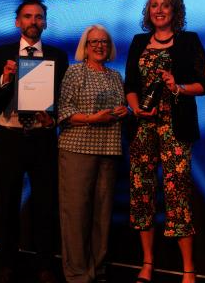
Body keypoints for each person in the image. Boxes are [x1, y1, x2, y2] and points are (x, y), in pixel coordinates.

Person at [124, 0, 205, 283]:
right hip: (143, 128)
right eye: (153, 6)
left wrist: (178, 87)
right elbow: (130, 86)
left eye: (165, 5)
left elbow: (204, 84)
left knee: (178, 196)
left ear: (175, 11)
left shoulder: (189, 41)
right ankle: (147, 264)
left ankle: (188, 269)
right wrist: (137, 109)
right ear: (148, 11)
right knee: (142, 195)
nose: (159, 10)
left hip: (175, 128)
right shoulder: (138, 42)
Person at [0, 0, 68, 283]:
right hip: (10, 138)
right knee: (8, 203)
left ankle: (45, 264)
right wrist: (5, 80)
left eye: (38, 17)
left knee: (45, 204)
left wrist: (53, 117)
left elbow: (63, 100)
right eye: (28, 16)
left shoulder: (58, 56)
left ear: (44, 22)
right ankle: (6, 263)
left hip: (43, 139)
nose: (34, 21)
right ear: (17, 22)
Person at [57, 25, 128, 283]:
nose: (99, 46)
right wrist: (92, 118)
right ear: (85, 47)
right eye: (94, 42)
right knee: (76, 215)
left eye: (104, 42)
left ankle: (97, 271)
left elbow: (121, 107)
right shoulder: (74, 72)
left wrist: (123, 111)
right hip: (76, 149)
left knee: (102, 216)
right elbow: (63, 112)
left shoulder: (115, 76)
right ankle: (77, 274)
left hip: (108, 151)